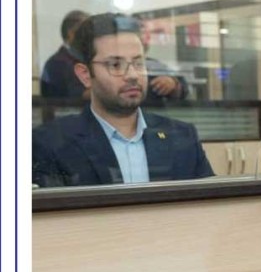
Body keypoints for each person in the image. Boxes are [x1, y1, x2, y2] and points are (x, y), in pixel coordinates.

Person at [32, 13, 214, 187]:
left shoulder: (183, 137)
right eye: (115, 65)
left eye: (138, 63)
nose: (133, 75)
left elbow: (211, 204)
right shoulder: (51, 144)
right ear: (85, 75)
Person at [39, 10, 89, 98]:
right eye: (86, 30)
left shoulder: (86, 58)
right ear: (71, 33)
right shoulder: (57, 63)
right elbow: (79, 95)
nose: (91, 35)